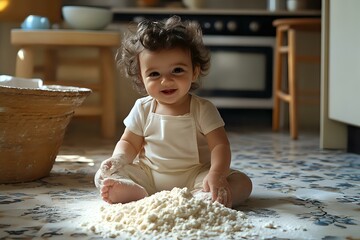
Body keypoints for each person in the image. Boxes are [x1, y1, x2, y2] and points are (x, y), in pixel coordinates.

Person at [94, 15, 252, 208]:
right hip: (149, 175)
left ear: (194, 72)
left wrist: (216, 175)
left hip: (195, 177)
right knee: (102, 175)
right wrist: (118, 159)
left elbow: (220, 146)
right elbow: (128, 142)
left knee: (243, 183)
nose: (166, 81)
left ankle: (200, 198)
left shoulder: (203, 109)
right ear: (141, 78)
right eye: (154, 74)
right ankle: (135, 190)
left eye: (177, 70)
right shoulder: (142, 108)